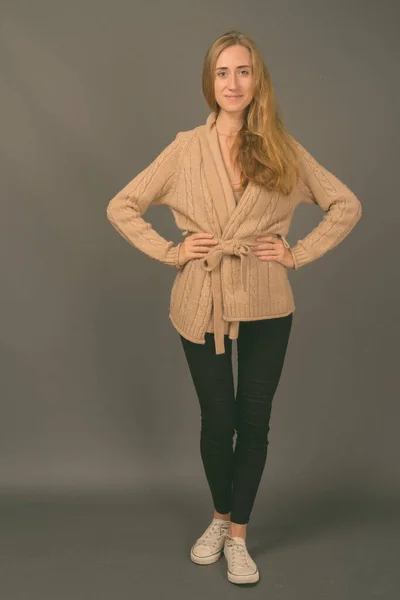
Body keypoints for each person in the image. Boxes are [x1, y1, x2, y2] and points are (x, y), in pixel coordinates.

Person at [106, 30, 362, 586]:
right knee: (217, 420)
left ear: (257, 79)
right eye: (222, 72)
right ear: (209, 81)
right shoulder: (184, 149)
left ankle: (239, 534)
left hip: (267, 296)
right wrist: (172, 251)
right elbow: (122, 205)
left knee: (254, 420)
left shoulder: (282, 148)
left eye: (243, 71)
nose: (232, 82)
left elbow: (345, 204)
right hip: (202, 295)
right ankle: (218, 518)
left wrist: (296, 253)